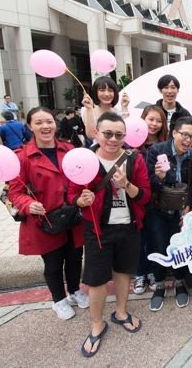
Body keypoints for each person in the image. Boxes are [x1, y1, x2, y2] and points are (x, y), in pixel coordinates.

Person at [69, 111, 151, 357]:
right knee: (96, 279)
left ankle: (121, 312)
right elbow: (71, 193)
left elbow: (145, 196)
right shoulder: (85, 159)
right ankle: (97, 323)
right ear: (96, 133)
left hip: (129, 226)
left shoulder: (135, 159)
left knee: (124, 271)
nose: (113, 139)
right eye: (107, 134)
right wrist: (80, 200)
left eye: (119, 135)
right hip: (97, 229)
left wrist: (126, 184)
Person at [7, 107, 87, 320]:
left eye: (49, 121)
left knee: (75, 257)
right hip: (46, 220)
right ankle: (58, 300)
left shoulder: (69, 149)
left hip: (72, 214)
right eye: (39, 122)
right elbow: (15, 192)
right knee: (53, 263)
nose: (45, 126)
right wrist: (28, 204)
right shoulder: (22, 157)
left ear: (56, 123)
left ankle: (75, 290)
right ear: (30, 126)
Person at [146, 116, 192, 311]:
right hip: (157, 209)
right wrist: (159, 178)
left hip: (179, 209)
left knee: (179, 246)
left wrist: (187, 208)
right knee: (159, 246)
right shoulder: (155, 151)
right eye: (185, 134)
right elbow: (147, 184)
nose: (188, 140)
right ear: (174, 133)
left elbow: (191, 183)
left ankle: (179, 282)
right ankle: (159, 285)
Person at [132, 105, 168, 295]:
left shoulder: (164, 146)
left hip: (156, 200)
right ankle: (140, 273)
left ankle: (154, 272)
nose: (154, 124)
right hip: (135, 199)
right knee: (139, 238)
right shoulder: (131, 145)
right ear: (143, 119)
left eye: (158, 120)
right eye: (150, 119)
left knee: (155, 237)